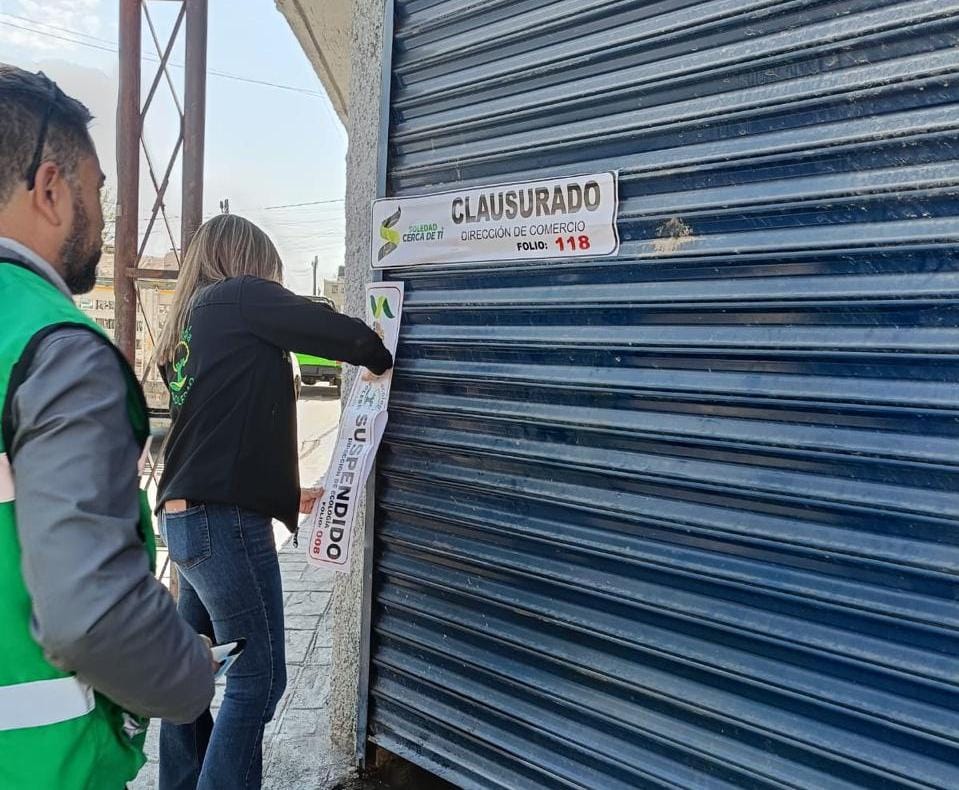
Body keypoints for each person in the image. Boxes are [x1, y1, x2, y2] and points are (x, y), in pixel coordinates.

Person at [0, 66, 216, 789]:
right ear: (51, 188)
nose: (103, 216)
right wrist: (188, 677)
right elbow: (89, 616)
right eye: (97, 192)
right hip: (40, 766)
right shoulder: (50, 344)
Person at [154, 214, 393, 790]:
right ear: (248, 261)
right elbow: (331, 330)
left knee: (191, 678)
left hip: (186, 524)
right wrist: (377, 354)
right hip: (223, 527)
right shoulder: (237, 296)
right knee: (257, 680)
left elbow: (222, 433)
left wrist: (288, 493)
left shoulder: (186, 328)